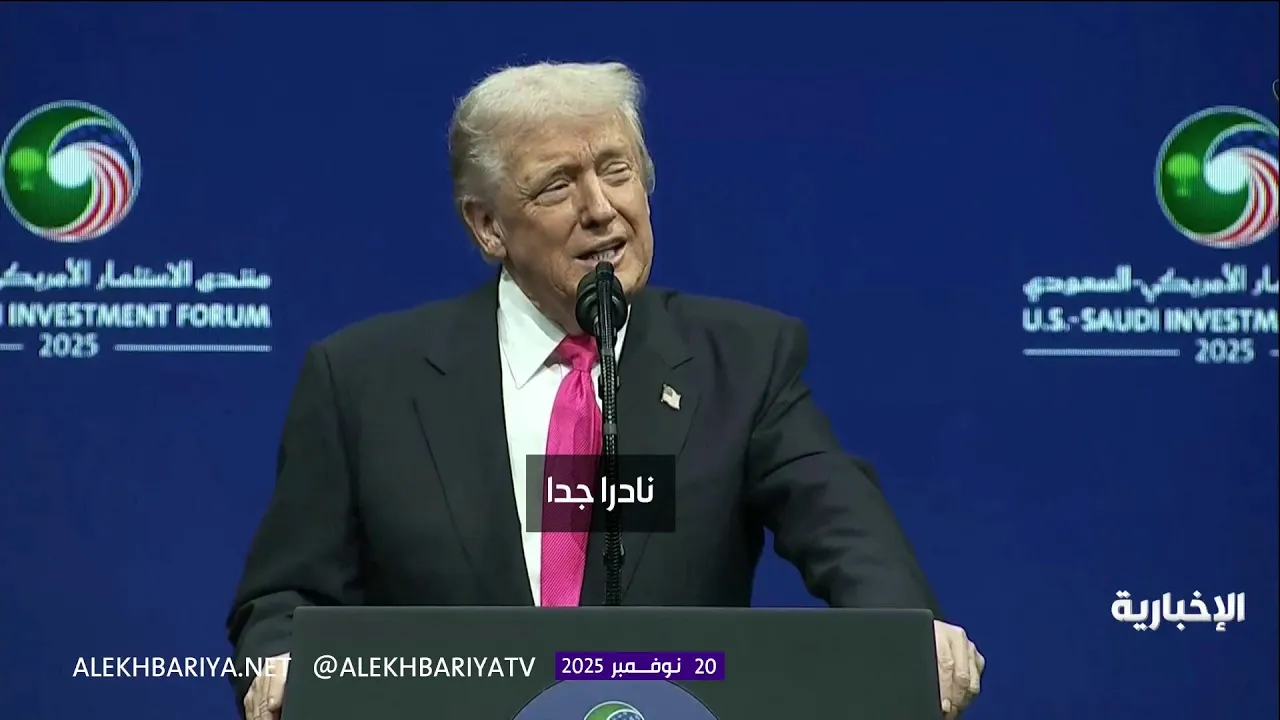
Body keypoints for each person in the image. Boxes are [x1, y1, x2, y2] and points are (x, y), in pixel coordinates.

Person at [228, 60, 984, 720]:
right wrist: (283, 665)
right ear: (488, 226)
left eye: (617, 172)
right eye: (558, 185)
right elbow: (283, 601)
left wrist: (906, 633)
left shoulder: (742, 361)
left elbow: (842, 526)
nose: (600, 208)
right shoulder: (365, 380)